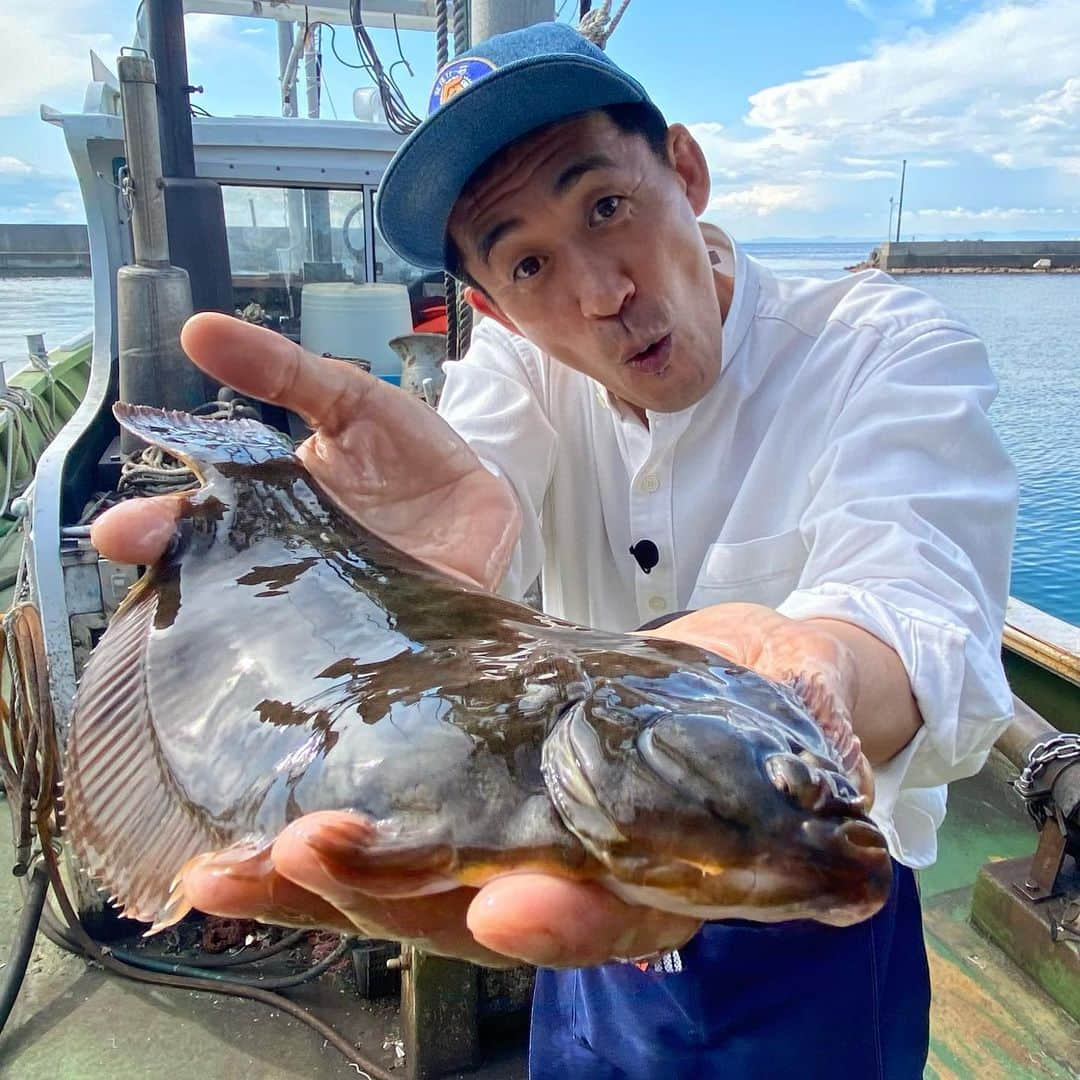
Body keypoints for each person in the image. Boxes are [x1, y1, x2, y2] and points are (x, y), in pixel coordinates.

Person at [92, 22, 1018, 1079]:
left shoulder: (886, 349)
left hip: (807, 909)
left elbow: (921, 596)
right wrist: (351, 561)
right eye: (529, 261)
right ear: (490, 305)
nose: (598, 295)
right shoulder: (515, 373)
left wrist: (816, 681)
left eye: (607, 208)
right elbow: (470, 488)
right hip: (580, 886)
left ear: (686, 170)